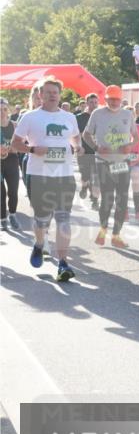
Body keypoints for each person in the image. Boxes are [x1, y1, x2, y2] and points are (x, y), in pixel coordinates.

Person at [11, 77, 81, 281]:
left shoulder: (69, 118)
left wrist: (77, 147)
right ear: (40, 95)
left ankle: (63, 263)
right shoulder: (30, 117)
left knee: (63, 218)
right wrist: (33, 149)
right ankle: (39, 244)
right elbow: (16, 144)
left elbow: (76, 138)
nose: (52, 95)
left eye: (55, 92)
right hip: (39, 175)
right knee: (41, 221)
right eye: (48, 92)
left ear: (60, 95)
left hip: (65, 175)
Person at [84, 85, 138, 249]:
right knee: (107, 198)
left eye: (117, 99)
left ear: (121, 100)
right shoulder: (97, 113)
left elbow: (136, 137)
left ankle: (116, 235)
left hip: (122, 161)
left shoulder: (128, 114)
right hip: (104, 161)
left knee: (122, 200)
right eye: (111, 99)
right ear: (105, 99)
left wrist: (130, 145)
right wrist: (96, 147)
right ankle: (102, 230)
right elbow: (86, 134)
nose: (114, 102)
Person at [1, 98, 22, 230]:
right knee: (0, 192)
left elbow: (20, 145)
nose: (2, 112)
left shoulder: (14, 125)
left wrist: (11, 148)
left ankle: (12, 215)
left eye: (4, 109)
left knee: (13, 191)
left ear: (8, 110)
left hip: (12, 160)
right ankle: (2, 218)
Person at [76, 93, 100, 209]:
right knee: (86, 176)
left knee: (96, 177)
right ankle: (85, 186)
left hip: (98, 151)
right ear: (87, 103)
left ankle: (95, 200)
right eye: (91, 102)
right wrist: (79, 147)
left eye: (96, 102)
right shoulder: (80, 117)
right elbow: (77, 134)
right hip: (84, 150)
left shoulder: (102, 117)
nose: (94, 105)